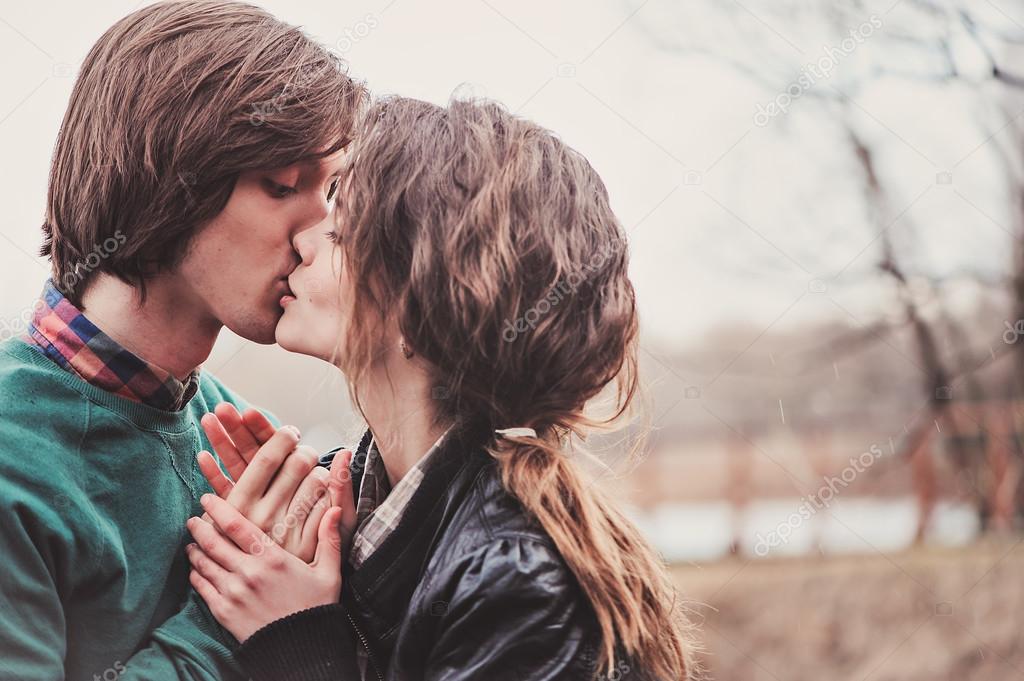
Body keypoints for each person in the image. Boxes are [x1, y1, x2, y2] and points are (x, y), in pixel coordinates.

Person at [186, 96, 699, 680]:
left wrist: (300, 642)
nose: (302, 241)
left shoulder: (520, 585)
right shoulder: (364, 515)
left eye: (341, 232)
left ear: (418, 302)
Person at [0, 1, 365, 678]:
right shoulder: (14, 463)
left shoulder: (235, 437)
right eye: (284, 182)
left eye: (333, 189)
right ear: (171, 175)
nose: (320, 233)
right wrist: (228, 622)